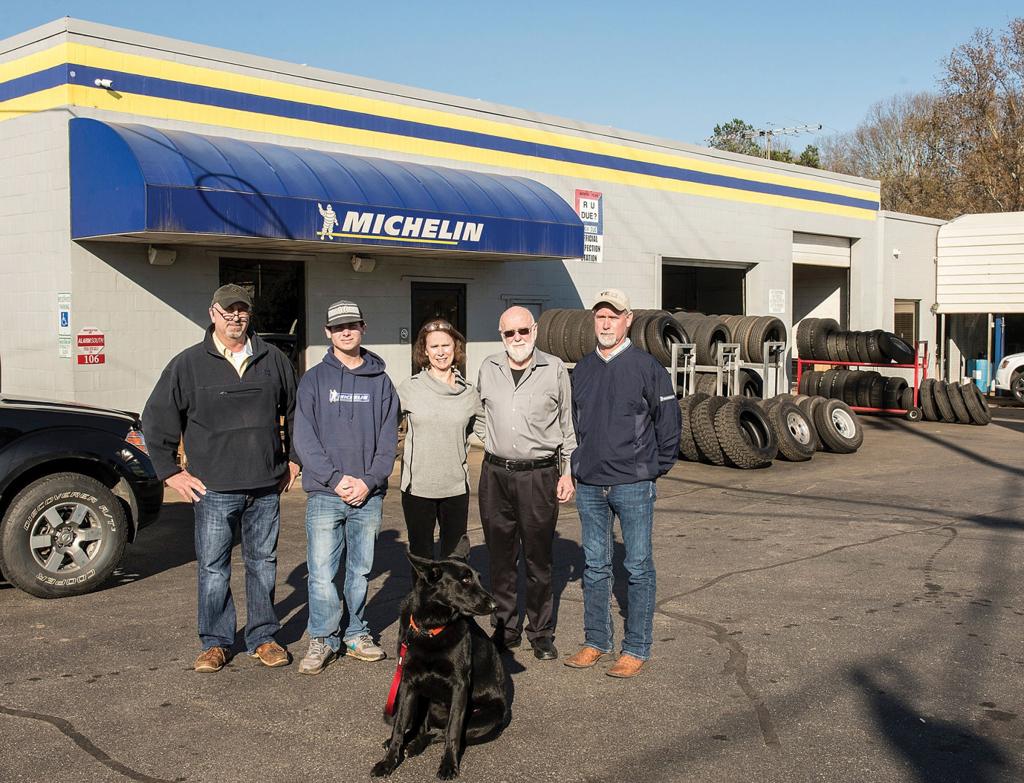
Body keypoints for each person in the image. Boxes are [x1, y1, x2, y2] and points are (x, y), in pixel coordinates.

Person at [142, 283, 301, 674]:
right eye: (228, 311)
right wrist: (170, 473)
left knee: (262, 563)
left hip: (265, 485)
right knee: (214, 568)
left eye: (242, 311)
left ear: (250, 315)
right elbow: (157, 418)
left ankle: (263, 637)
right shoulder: (189, 363)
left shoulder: (273, 359)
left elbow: (298, 410)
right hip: (212, 488)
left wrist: (295, 459)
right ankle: (215, 642)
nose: (236, 318)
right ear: (213, 313)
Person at [564, 289, 681, 678]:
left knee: (638, 566)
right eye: (600, 317)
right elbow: (574, 427)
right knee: (595, 567)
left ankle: (636, 648)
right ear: (594, 321)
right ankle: (597, 641)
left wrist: (652, 468)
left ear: (628, 318)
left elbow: (668, 423)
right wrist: (578, 467)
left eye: (613, 316)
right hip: (591, 485)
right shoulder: (582, 369)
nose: (607, 323)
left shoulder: (647, 367)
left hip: (633, 484)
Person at [293, 299, 398, 675]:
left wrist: (368, 482)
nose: (346, 331)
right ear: (328, 333)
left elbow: (389, 442)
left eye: (352, 325)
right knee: (321, 572)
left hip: (368, 496)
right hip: (325, 493)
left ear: (363, 328)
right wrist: (337, 480)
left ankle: (356, 633)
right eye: (338, 327)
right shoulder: (313, 380)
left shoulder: (382, 383)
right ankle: (322, 638)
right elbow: (304, 438)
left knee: (360, 571)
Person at [475, 306, 576, 661]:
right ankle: (505, 626)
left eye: (522, 331)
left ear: (534, 330)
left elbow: (567, 426)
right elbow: (478, 415)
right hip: (496, 475)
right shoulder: (489, 367)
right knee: (500, 557)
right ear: (500, 335)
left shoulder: (555, 369)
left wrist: (567, 472)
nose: (517, 339)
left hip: (539, 474)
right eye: (509, 333)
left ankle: (541, 631)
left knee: (538, 559)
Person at [397, 320, 483, 560]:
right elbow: (384, 426)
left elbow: (486, 428)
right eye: (434, 346)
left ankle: (452, 600)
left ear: (455, 348)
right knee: (422, 560)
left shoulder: (469, 392)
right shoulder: (409, 389)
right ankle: (425, 600)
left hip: (455, 488)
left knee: (455, 561)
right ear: (424, 350)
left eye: (446, 345)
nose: (441, 352)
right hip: (418, 489)